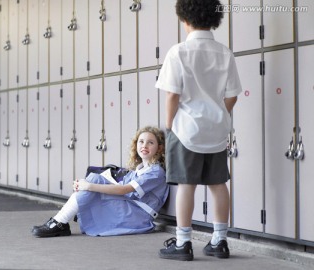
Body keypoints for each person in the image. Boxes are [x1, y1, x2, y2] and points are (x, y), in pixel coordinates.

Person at [156, 0, 242, 261]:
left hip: (186, 130)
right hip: (216, 130)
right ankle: (220, 241)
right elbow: (232, 96)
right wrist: (219, 116)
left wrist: (169, 124)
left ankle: (183, 243)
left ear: (185, 19)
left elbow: (172, 94)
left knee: (186, 185)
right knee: (218, 184)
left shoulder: (179, 52)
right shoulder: (224, 53)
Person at [32, 126, 169, 237]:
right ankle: (60, 221)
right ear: (136, 145)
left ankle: (59, 222)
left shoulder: (156, 172)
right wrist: (84, 185)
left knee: (93, 183)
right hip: (129, 209)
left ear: (159, 148)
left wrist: (89, 186)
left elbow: (123, 190)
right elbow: (118, 188)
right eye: (141, 141)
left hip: (138, 216)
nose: (144, 145)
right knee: (94, 178)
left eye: (150, 142)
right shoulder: (137, 170)